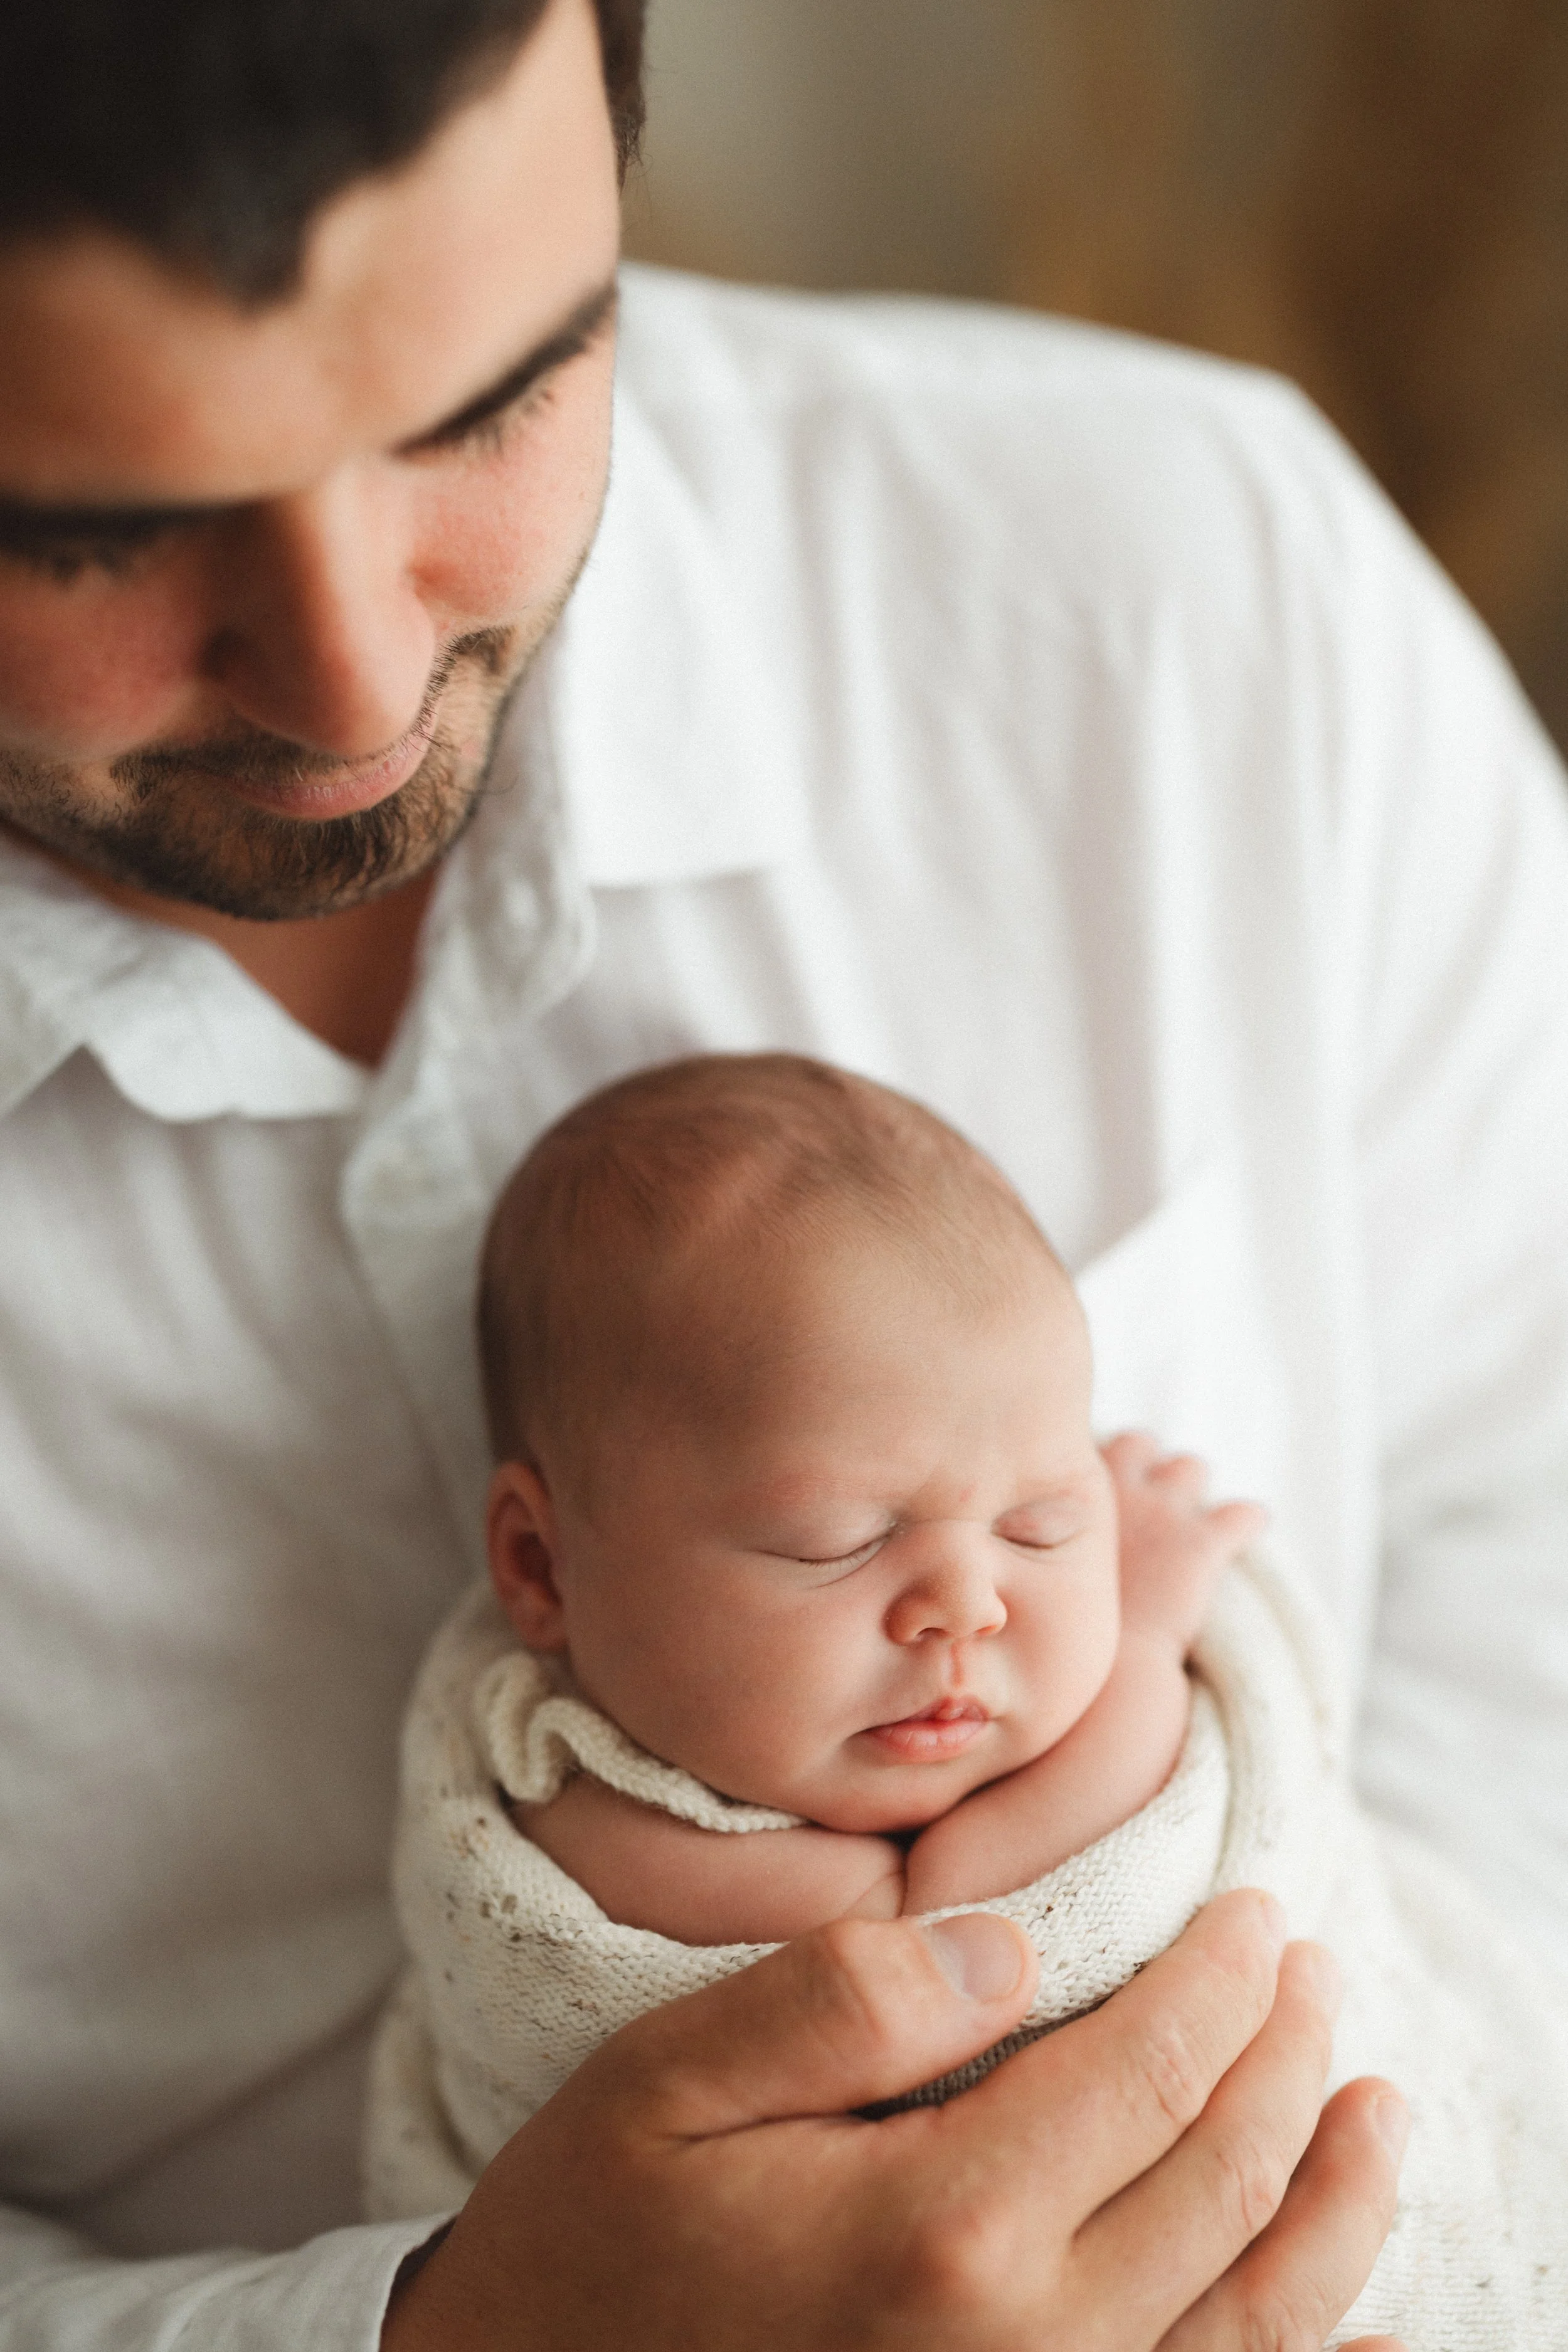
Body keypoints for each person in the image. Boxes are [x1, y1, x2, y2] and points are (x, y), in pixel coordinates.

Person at [6, 0, 1568, 2341]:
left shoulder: (1180, 596)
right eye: (90, 537)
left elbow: (1530, 1531)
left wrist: (1335, 2110)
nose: (351, 683)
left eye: (493, 399)